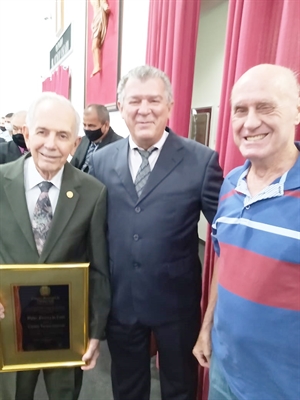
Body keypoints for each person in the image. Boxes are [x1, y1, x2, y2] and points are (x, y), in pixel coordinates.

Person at [90, 65, 223, 400]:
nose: (144, 109)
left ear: (169, 105)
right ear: (120, 107)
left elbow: (225, 236)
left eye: (154, 100)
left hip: (177, 304)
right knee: (126, 387)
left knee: (180, 388)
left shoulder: (201, 160)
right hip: (122, 302)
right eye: (134, 100)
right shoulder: (101, 161)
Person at [193, 64, 300, 400]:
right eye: (240, 110)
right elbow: (226, 262)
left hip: (281, 385)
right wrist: (207, 327)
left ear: (296, 111)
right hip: (225, 370)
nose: (250, 122)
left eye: (265, 107)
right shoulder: (230, 184)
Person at [0, 92, 111, 400]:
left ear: (75, 144)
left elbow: (100, 268)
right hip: (9, 329)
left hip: (66, 330)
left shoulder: (92, 193)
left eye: (62, 135)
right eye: (42, 132)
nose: (51, 144)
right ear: (26, 133)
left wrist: (96, 332)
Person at [70, 103, 122, 172]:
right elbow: (73, 166)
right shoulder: (84, 140)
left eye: (91, 126)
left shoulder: (119, 146)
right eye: (84, 125)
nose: (87, 129)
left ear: (106, 125)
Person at [90, 0, 110, 76]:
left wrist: (105, 7)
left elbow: (103, 2)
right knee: (93, 47)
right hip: (95, 19)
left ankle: (97, 66)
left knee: (94, 46)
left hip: (99, 18)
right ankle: (96, 66)